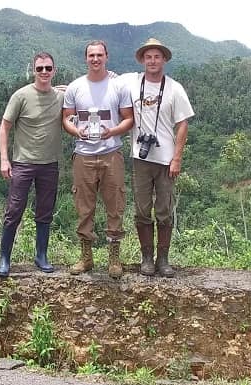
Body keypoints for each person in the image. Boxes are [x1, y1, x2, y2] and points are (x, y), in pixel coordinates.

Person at [62, 40, 134, 279]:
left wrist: (112, 131)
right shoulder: (75, 87)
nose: (95, 59)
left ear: (107, 56)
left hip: (111, 153)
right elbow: (67, 118)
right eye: (91, 55)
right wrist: (76, 131)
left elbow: (128, 119)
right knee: (84, 208)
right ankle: (86, 257)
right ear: (86, 58)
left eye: (99, 55)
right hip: (84, 154)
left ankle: (114, 258)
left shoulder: (117, 87)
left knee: (115, 206)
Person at [123, 38, 193, 277]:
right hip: (140, 158)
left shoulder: (175, 88)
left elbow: (182, 124)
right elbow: (102, 79)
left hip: (165, 159)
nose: (152, 61)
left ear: (164, 59)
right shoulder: (132, 83)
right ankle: (146, 258)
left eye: (157, 56)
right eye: (148, 57)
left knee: (164, 209)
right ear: (143, 60)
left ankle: (163, 258)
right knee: (142, 209)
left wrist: (177, 158)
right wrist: (66, 89)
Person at [0, 51, 65, 277]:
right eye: (39, 68)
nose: (44, 72)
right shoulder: (21, 96)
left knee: (45, 211)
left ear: (54, 70)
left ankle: (41, 255)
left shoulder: (61, 96)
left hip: (49, 163)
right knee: (14, 210)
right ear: (33, 70)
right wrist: (5, 159)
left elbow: (85, 90)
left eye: (48, 68)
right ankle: (4, 258)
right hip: (23, 163)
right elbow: (5, 127)